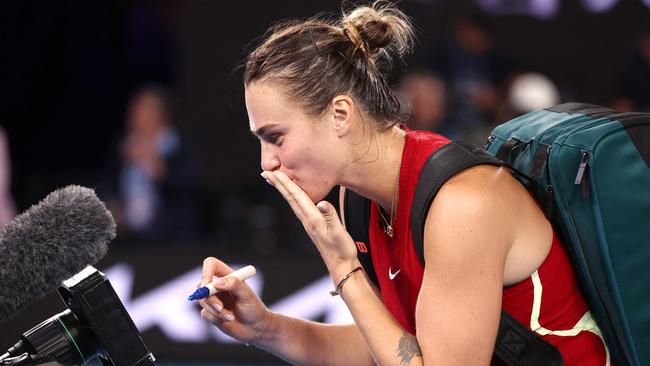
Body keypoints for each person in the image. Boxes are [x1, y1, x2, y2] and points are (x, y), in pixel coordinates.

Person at [196, 3, 609, 365]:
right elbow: (390, 349)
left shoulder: (461, 206)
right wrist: (266, 328)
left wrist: (344, 269)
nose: (268, 163)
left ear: (341, 114)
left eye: (276, 137)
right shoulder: (356, 200)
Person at [100, 85, 199, 240]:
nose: (134, 118)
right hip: (126, 234)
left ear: (160, 115)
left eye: (142, 112)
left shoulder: (177, 145)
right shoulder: (123, 146)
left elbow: (189, 188)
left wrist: (157, 167)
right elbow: (108, 183)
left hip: (169, 236)